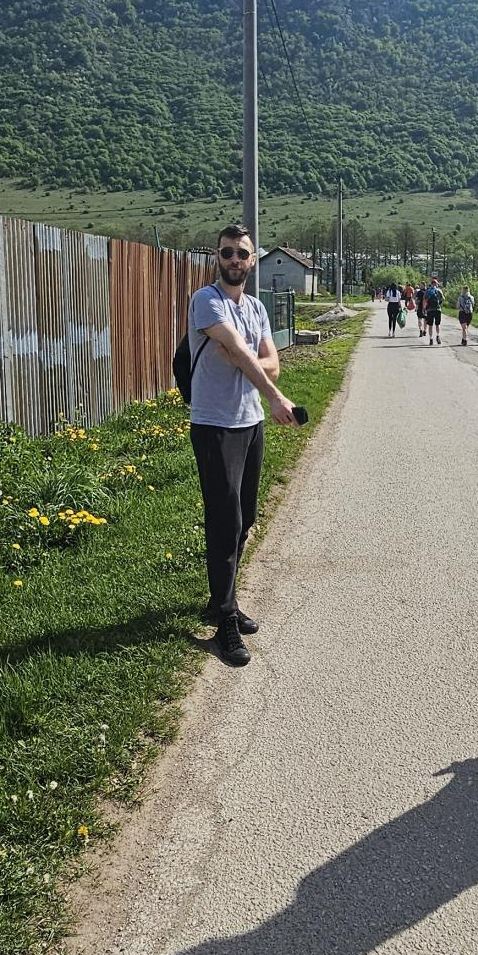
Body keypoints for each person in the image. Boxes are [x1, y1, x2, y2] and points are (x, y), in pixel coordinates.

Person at [187, 225, 298, 666]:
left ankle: (223, 600)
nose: (234, 259)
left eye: (242, 253)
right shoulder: (206, 300)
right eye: (227, 252)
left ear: (253, 260)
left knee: (246, 517)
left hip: (250, 422)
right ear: (217, 256)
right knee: (224, 521)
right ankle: (225, 623)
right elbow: (238, 351)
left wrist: (248, 364)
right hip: (215, 424)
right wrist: (274, 395)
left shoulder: (255, 307)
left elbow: (271, 362)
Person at [423, 277, 444, 345]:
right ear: (436, 284)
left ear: (431, 284)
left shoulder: (427, 291)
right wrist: (440, 303)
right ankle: (438, 336)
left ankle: (431, 339)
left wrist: (424, 308)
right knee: (437, 324)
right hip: (438, 309)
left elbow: (424, 300)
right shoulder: (439, 290)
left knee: (430, 325)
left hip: (430, 310)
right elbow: (443, 299)